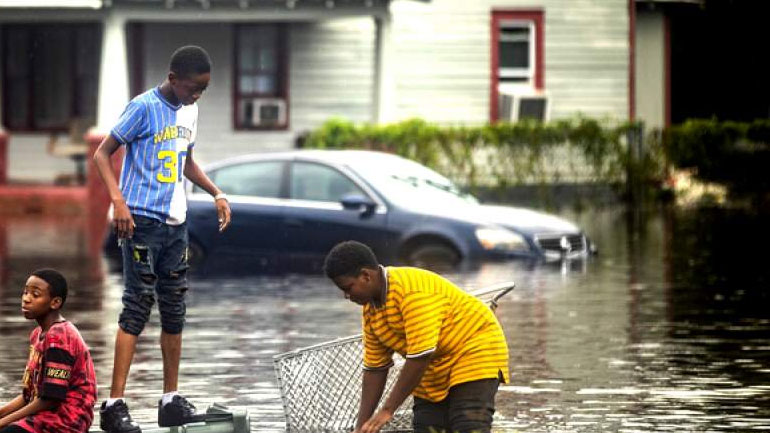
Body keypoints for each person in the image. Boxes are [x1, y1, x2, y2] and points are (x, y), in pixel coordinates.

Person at [93, 45, 232, 433]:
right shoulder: (142, 107)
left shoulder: (191, 112)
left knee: (174, 310)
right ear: (173, 79)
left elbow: (185, 162)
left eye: (203, 89)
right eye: (193, 88)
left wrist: (217, 193)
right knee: (137, 306)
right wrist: (118, 202)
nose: (197, 95)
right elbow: (102, 154)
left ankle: (170, 400)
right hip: (140, 220)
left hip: (176, 224)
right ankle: (114, 406)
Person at [323, 241, 510, 433]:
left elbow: (420, 356)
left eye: (348, 288)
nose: (346, 296)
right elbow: (375, 369)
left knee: (467, 423)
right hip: (434, 364)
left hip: (474, 349)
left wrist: (387, 410)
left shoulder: (411, 292)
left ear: (366, 276)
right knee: (428, 426)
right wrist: (360, 427)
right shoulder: (371, 311)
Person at [0, 269, 97, 433]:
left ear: (55, 302)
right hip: (44, 412)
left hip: (67, 419)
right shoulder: (37, 335)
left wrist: (3, 423)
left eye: (35, 295)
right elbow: (28, 396)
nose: (26, 299)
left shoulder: (59, 336)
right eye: (25, 292)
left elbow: (51, 398)